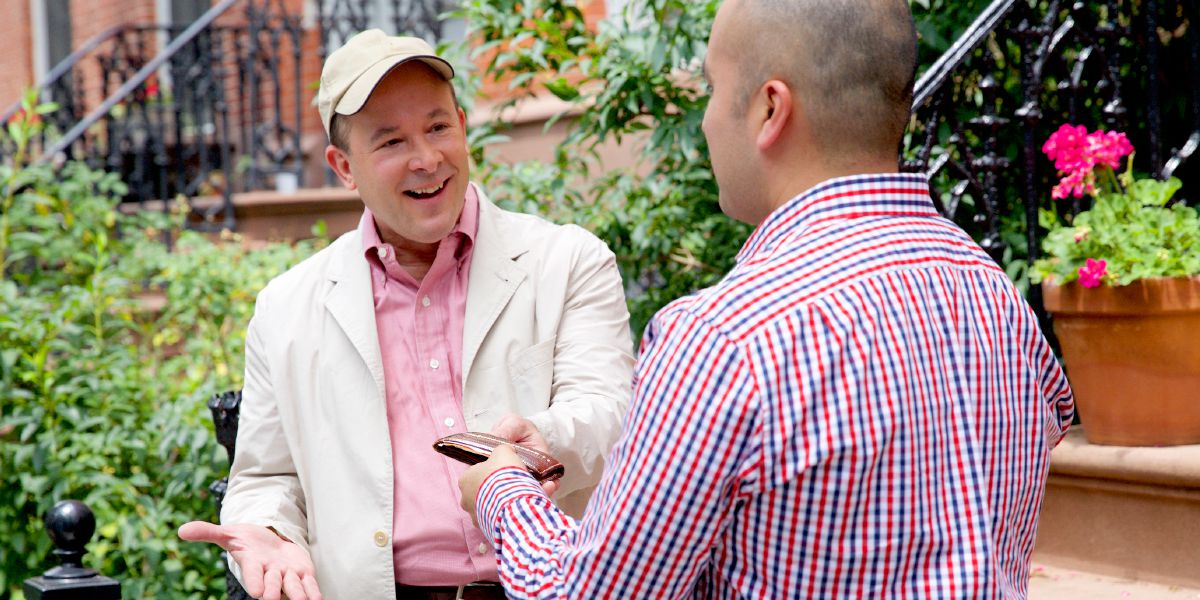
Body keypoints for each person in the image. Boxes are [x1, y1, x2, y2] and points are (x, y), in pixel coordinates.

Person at [458, 0, 1076, 597]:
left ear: (768, 109)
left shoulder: (722, 338)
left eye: (709, 88)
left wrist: (504, 491)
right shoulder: (992, 291)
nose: (703, 119)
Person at [177, 30, 634, 600]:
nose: (426, 159)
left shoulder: (568, 261)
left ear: (464, 126)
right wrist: (269, 531)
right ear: (344, 166)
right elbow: (267, 477)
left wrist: (541, 438)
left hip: (548, 586)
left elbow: (613, 415)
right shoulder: (286, 308)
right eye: (391, 142)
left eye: (438, 127)